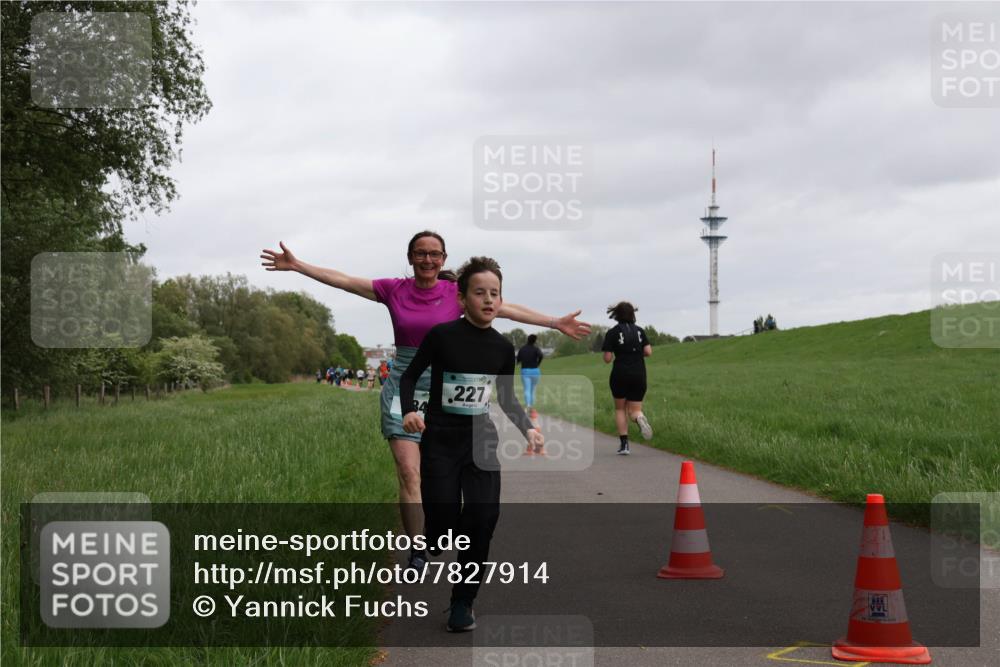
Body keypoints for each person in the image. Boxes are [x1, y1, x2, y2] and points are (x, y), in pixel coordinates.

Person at [261, 231, 589, 571]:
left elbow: (505, 308)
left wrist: (554, 322)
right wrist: (298, 265)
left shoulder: (456, 293)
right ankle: (417, 550)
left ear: (444, 259)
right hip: (405, 382)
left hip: (446, 388)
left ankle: (445, 528)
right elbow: (344, 281)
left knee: (440, 471)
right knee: (408, 471)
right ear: (410, 257)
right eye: (421, 253)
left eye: (435, 254)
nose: (428, 260)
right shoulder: (393, 290)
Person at [400, 256, 543, 632]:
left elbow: (508, 399)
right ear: (462, 299)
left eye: (495, 293)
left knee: (483, 520)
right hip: (441, 441)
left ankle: (463, 602)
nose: (489, 299)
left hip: (480, 441)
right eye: (479, 292)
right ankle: (435, 535)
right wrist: (409, 412)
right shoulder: (442, 336)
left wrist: (528, 429)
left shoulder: (501, 348)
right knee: (443, 523)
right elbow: (409, 377)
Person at [601, 301, 653, 455]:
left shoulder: (612, 332)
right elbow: (649, 352)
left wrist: (616, 351)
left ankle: (624, 446)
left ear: (616, 315)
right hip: (639, 373)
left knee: (620, 409)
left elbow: (607, 358)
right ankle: (639, 418)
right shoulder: (640, 331)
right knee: (635, 411)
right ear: (632, 314)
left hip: (620, 373)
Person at [515, 334, 544, 434]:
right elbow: (541, 356)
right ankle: (532, 406)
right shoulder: (536, 349)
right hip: (535, 371)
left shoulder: (522, 349)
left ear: (527, 339)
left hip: (526, 371)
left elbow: (518, 360)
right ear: (535, 340)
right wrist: (537, 363)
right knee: (533, 389)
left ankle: (527, 406)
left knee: (527, 389)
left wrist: (519, 362)